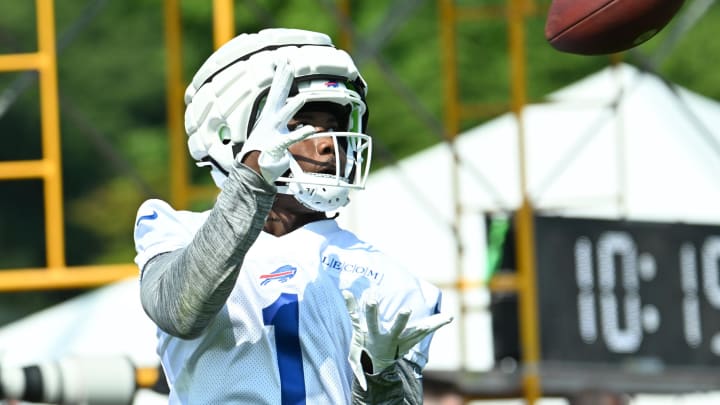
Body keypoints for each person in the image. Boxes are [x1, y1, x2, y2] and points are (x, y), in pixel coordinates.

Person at [133, 27, 451, 404]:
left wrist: (379, 379)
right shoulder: (175, 228)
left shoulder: (386, 277)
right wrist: (252, 177)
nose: (326, 145)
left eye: (332, 127)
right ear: (229, 134)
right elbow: (180, 311)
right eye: (299, 126)